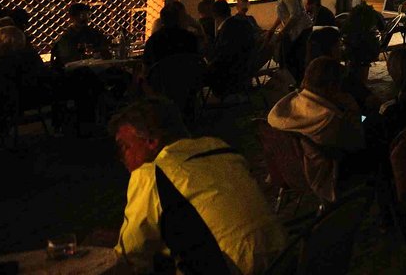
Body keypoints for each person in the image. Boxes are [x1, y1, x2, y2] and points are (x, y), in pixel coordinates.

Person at [111, 97, 286, 275]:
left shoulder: (152, 174)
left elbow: (129, 253)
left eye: (124, 147)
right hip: (284, 257)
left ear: (151, 141)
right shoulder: (219, 147)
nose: (122, 157)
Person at [205, 0, 259, 98]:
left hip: (230, 74)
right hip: (244, 69)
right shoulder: (244, 24)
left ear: (215, 15)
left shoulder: (225, 30)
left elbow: (221, 55)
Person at [266, 0, 311, 83]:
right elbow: (283, 14)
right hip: (295, 31)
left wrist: (282, 32)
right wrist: (272, 28)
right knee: (290, 59)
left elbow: (294, 15)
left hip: (300, 31)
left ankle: (297, 86)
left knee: (294, 61)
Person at [143, 2, 201, 67]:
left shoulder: (153, 41)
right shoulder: (190, 38)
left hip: (161, 76)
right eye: (185, 16)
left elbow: (146, 68)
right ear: (180, 19)